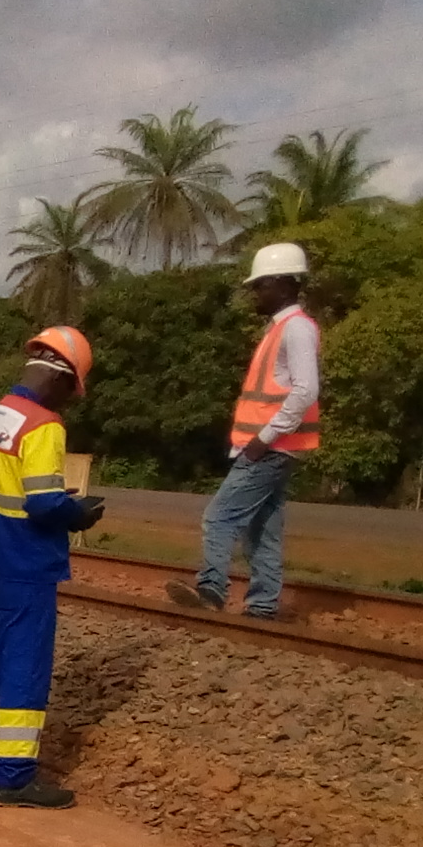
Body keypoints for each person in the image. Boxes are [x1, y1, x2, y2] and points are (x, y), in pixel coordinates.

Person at [0, 326, 109, 809]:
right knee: (24, 663)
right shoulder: (44, 426)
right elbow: (42, 503)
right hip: (26, 563)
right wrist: (77, 514)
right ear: (62, 381)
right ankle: (15, 777)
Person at [169, 242, 320, 620]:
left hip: (269, 448)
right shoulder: (281, 329)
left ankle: (211, 591)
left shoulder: (296, 329)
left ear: (284, 284)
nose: (255, 292)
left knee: (218, 518)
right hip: (271, 447)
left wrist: (263, 439)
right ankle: (263, 608)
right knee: (262, 531)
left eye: (261, 285)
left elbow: (305, 391)